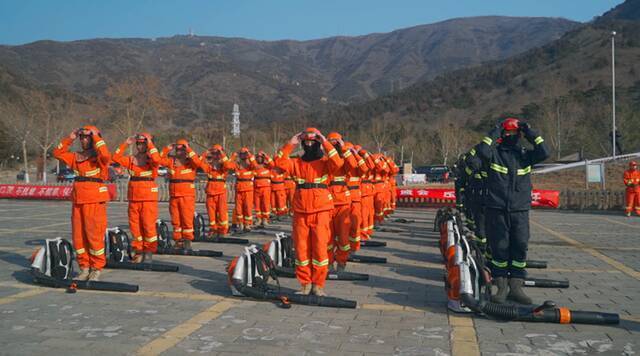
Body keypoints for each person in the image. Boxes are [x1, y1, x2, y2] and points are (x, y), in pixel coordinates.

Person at [472, 117, 549, 304]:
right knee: (500, 247)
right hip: (496, 208)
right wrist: (495, 131)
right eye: (508, 132)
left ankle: (516, 286)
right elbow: (482, 151)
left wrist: (531, 132)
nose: (511, 136)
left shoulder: (524, 155)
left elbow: (544, 152)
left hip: (519, 209)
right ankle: (501, 286)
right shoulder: (494, 153)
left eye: (515, 133)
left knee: (520, 244)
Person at [275, 128, 344, 296]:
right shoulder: (296, 163)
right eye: (307, 142)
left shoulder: (325, 162)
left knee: (320, 249)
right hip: (300, 211)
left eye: (314, 142)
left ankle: (318, 285)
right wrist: (290, 144)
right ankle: (305, 284)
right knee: (301, 250)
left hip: (320, 211)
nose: (310, 145)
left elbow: (338, 163)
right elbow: (278, 162)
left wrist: (325, 142)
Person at [53, 125, 111, 281]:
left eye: (87, 137)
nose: (84, 140)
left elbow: (106, 156)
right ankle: (84, 267)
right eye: (82, 137)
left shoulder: (99, 156)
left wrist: (96, 136)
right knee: (78, 237)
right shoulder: (76, 156)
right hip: (78, 200)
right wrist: (70, 137)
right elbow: (57, 153)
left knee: (94, 236)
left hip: (94, 201)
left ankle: (96, 268)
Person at [112, 133, 161, 262]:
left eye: (142, 143)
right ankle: (138, 250)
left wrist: (150, 143)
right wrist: (126, 144)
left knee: (148, 225)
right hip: (134, 198)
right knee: (135, 226)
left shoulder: (152, 159)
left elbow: (157, 159)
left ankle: (149, 251)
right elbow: (115, 157)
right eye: (138, 143)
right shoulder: (131, 159)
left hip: (148, 199)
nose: (140, 146)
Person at [159, 139, 202, 249]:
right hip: (174, 195)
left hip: (187, 195)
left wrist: (188, 148)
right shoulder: (171, 161)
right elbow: (158, 160)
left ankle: (187, 240)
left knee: (187, 219)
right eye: (177, 149)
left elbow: (198, 162)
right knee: (176, 220)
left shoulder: (190, 163)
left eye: (182, 149)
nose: (179, 151)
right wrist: (167, 149)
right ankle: (178, 240)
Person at [326, 132, 358, 271]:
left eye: (336, 143)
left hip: (342, 202)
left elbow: (354, 165)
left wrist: (344, 148)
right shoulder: (324, 158)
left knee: (343, 237)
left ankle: (341, 261)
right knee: (327, 237)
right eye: (331, 143)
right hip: (326, 202)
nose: (334, 146)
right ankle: (328, 261)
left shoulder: (345, 159)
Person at [200, 144, 233, 238]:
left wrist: (221, 153)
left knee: (222, 212)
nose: (215, 156)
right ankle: (213, 229)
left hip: (221, 193)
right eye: (214, 154)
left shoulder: (224, 168)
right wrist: (206, 152)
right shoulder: (209, 168)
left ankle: (222, 230)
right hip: (210, 192)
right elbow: (199, 162)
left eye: (217, 154)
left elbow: (229, 165)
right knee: (211, 213)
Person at [345, 142, 369, 252]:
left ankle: (354, 247)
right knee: (341, 227)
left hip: (354, 198)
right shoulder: (340, 162)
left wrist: (357, 154)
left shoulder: (357, 165)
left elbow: (366, 168)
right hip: (341, 198)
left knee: (355, 224)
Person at [228, 147, 257, 232]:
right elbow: (228, 165)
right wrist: (234, 156)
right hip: (239, 188)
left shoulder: (251, 166)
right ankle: (240, 223)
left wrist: (249, 154)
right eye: (242, 154)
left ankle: (247, 224)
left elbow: (255, 165)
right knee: (238, 208)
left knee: (248, 207)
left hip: (248, 189)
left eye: (245, 154)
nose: (243, 156)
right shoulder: (237, 165)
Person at [253, 151, 273, 228]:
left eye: (261, 157)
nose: (259, 158)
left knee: (266, 204)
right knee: (257, 204)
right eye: (258, 157)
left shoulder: (267, 166)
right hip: (256, 187)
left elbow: (273, 164)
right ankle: (258, 219)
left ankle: (265, 219)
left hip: (266, 187)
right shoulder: (254, 166)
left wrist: (266, 155)